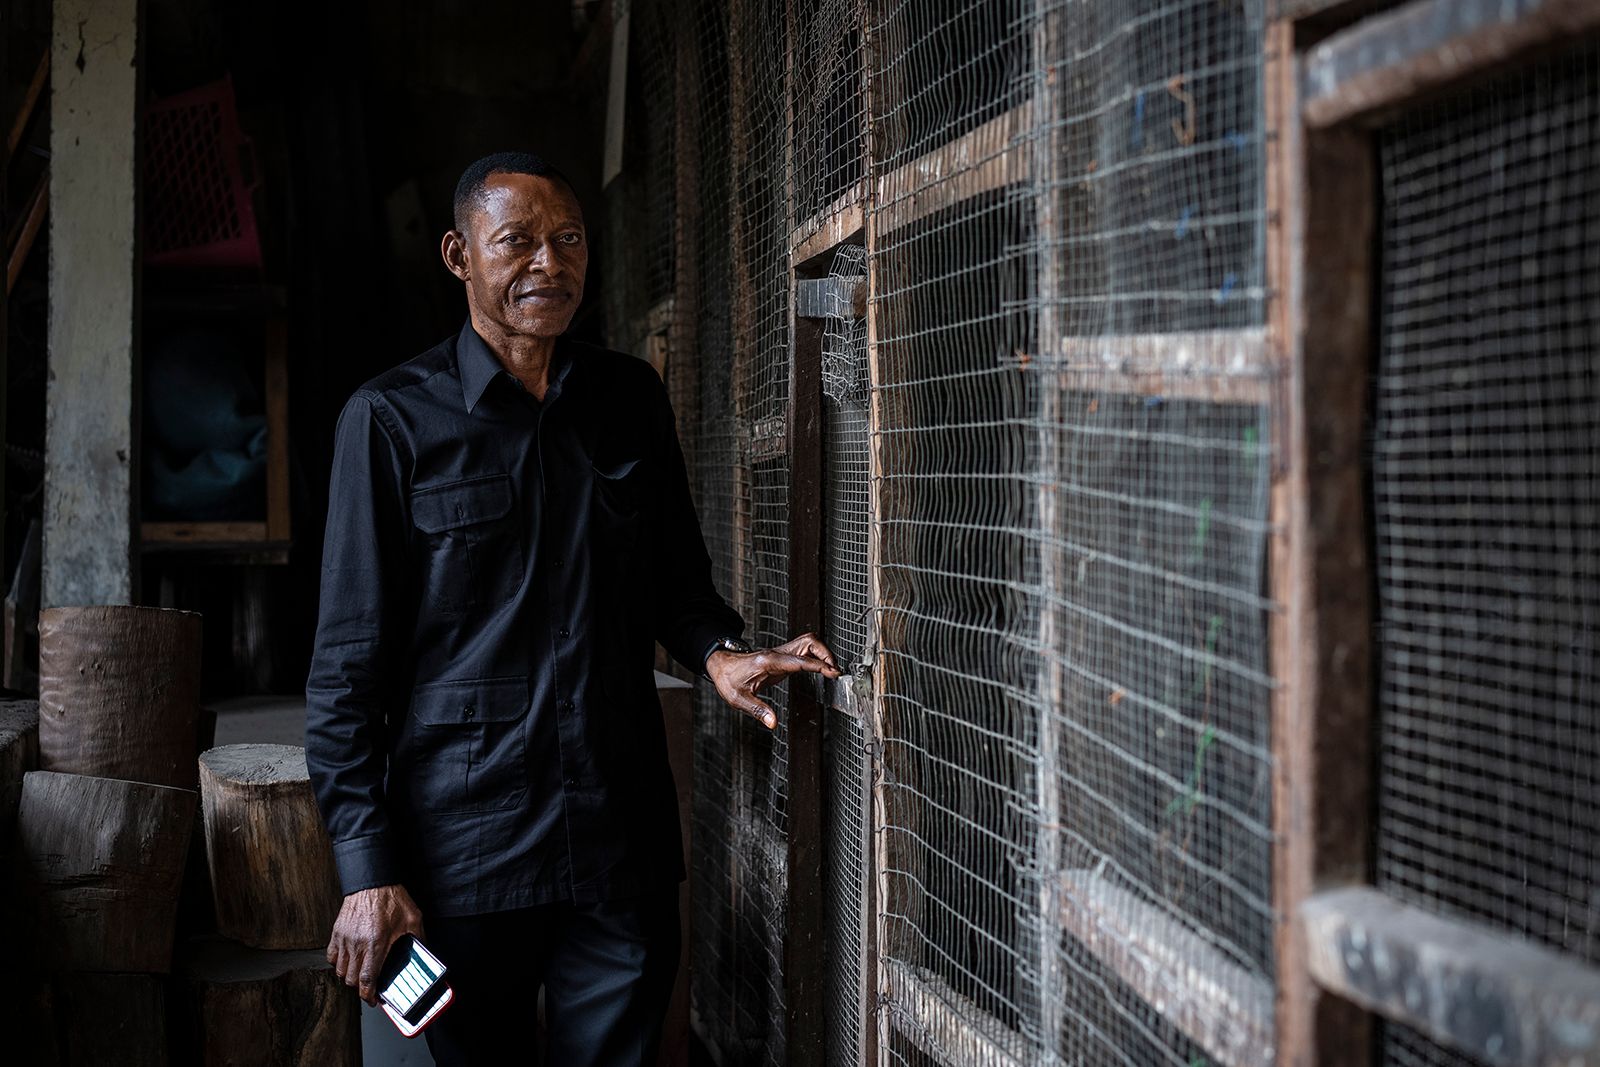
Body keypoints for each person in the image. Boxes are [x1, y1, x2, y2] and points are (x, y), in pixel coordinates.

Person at [305, 150, 841, 1066]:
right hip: (462, 852)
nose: (549, 264)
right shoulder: (390, 422)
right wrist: (368, 871)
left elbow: (676, 579)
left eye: (568, 241)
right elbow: (347, 670)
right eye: (517, 242)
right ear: (458, 256)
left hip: (616, 839)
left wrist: (717, 651)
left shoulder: (629, 398)